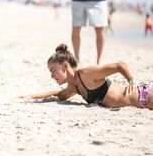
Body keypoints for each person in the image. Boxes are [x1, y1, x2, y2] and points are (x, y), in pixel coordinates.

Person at [22, 44, 152, 110]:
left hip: (143, 94)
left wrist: (132, 82)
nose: (52, 76)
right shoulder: (73, 87)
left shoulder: (86, 73)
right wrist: (31, 97)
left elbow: (120, 65)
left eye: (53, 70)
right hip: (141, 104)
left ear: (65, 66)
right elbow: (58, 95)